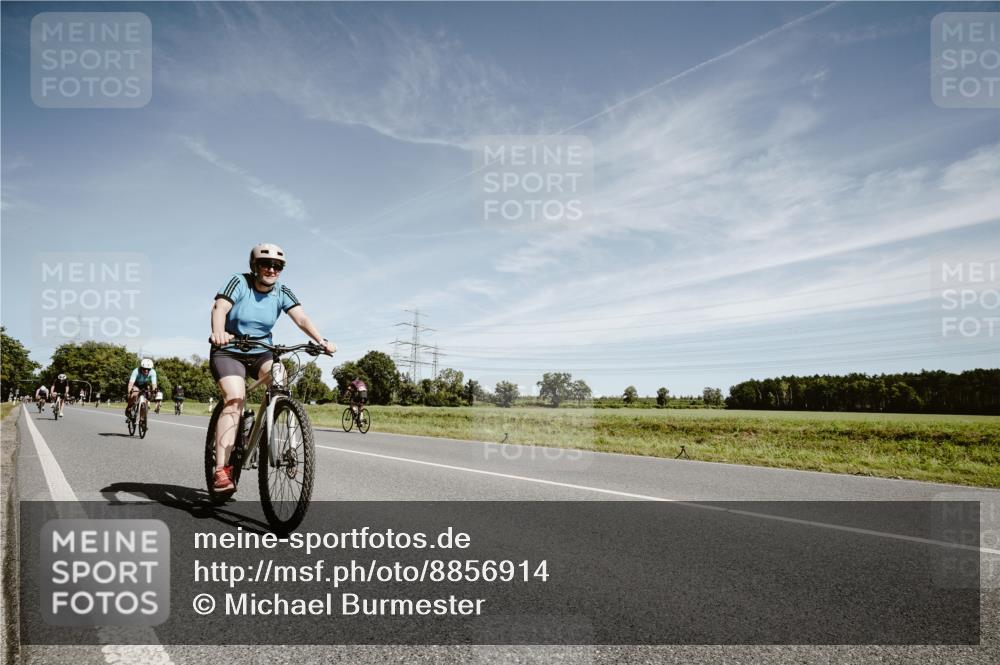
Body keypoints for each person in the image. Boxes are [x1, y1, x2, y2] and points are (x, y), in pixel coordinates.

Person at [208, 243, 336, 494]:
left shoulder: (282, 291)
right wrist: (219, 332)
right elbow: (220, 307)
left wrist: (321, 341)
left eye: (277, 266)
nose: (271, 269)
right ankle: (221, 470)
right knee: (235, 398)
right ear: (254, 266)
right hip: (229, 348)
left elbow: (301, 318)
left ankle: (272, 438)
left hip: (260, 350)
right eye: (266, 264)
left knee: (280, 381)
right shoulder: (239, 282)